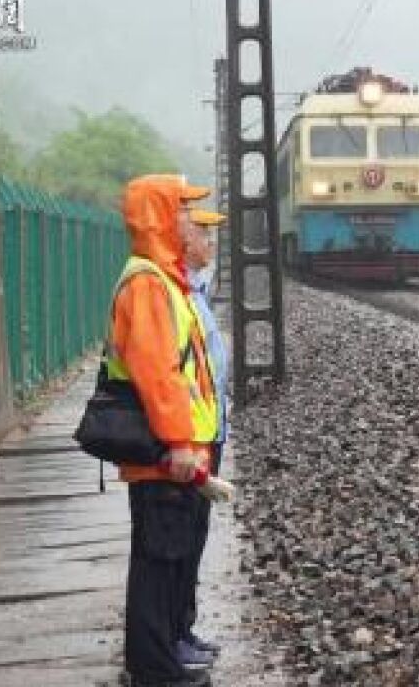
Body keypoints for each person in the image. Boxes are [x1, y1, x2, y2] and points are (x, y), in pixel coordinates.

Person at [109, 174, 224, 687]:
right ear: (159, 216)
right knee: (159, 558)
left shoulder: (162, 280)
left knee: (169, 552)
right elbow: (160, 374)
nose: (188, 219)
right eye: (180, 209)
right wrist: (180, 443)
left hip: (176, 448)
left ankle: (161, 657)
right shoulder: (149, 284)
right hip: (164, 451)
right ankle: (155, 668)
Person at [178, 207, 231, 662]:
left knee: (190, 543)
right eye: (204, 232)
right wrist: (180, 444)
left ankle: (182, 631)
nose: (212, 241)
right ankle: (167, 647)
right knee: (170, 551)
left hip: (200, 438)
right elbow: (167, 377)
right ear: (181, 239)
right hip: (183, 446)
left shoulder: (193, 291)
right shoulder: (168, 292)